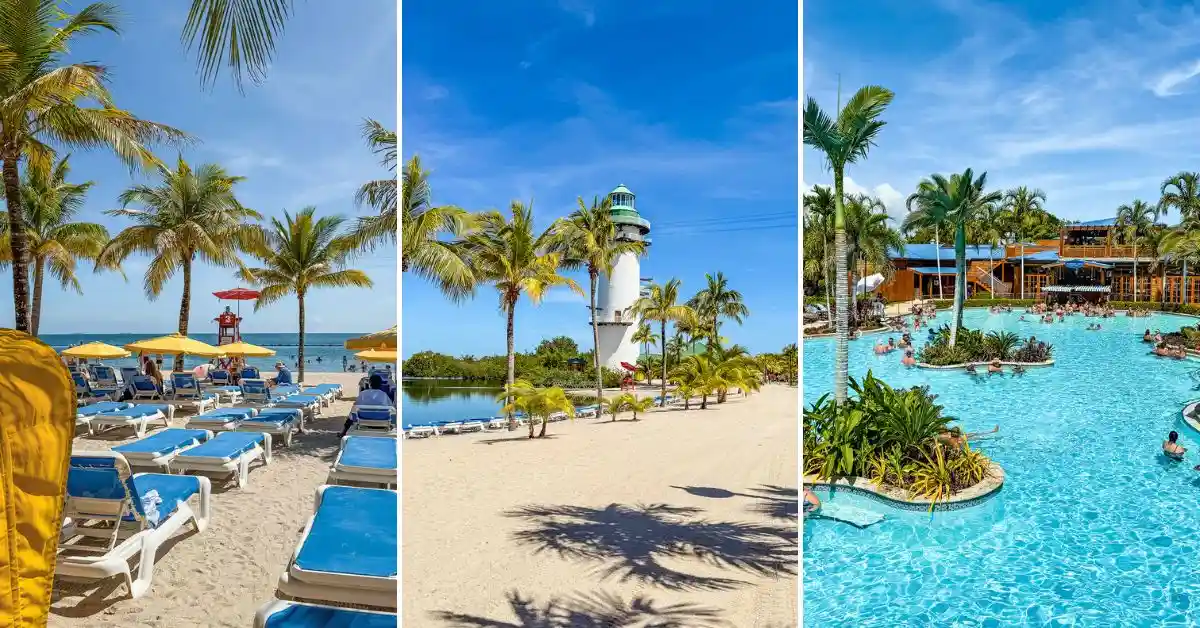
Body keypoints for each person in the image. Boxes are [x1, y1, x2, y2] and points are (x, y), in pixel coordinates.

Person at [340, 373, 393, 437]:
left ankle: (344, 431)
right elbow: (391, 408)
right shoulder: (384, 395)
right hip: (381, 423)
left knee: (353, 411)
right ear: (380, 384)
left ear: (370, 384)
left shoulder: (363, 394)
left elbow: (355, 406)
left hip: (363, 422)